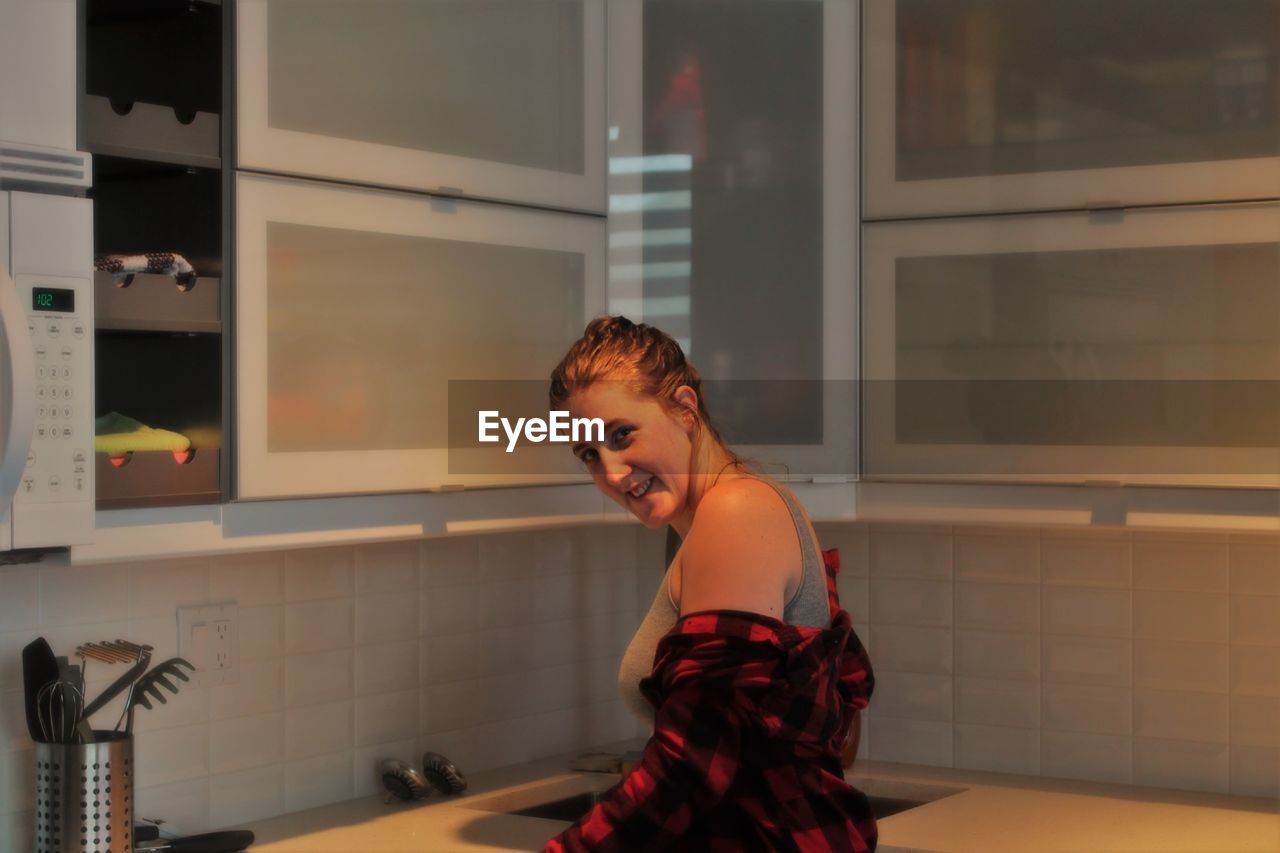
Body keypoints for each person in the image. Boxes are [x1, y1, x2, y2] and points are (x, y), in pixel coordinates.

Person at [543, 316, 876, 852]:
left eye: (621, 434)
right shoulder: (724, 520)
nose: (611, 471)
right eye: (588, 453)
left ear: (685, 409)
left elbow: (692, 762)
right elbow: (843, 692)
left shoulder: (736, 512)